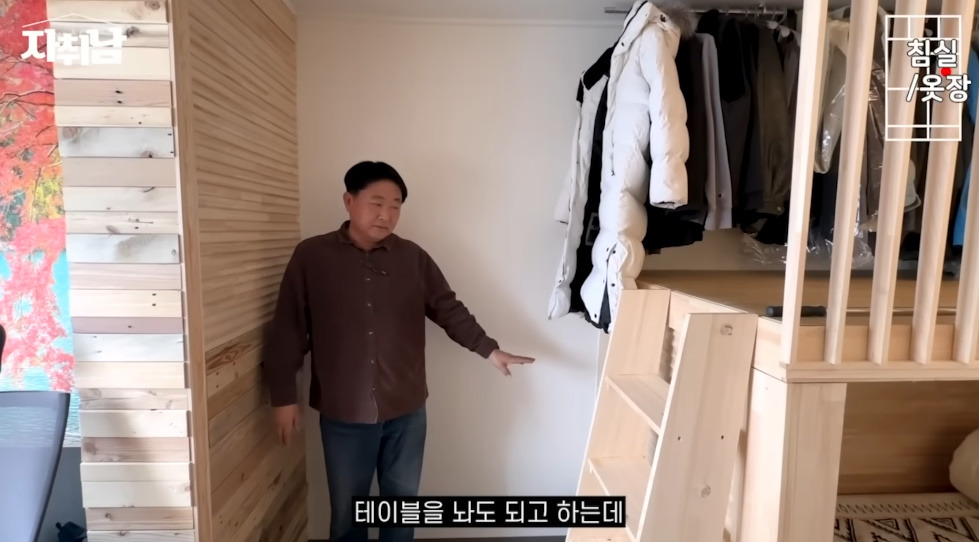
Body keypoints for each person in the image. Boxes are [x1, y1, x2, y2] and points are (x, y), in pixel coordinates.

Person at [261, 161, 535, 542]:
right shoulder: (312, 256)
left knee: (401, 510)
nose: (386, 215)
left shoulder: (413, 258)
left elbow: (449, 310)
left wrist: (490, 350)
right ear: (349, 201)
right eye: (377, 203)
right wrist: (283, 396)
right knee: (348, 513)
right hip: (344, 413)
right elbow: (288, 328)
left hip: (406, 411)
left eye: (395, 206)